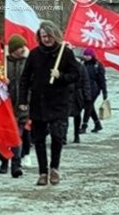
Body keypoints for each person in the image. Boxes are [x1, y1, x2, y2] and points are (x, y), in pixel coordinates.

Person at [18, 20, 80, 186]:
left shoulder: (65, 53)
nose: (46, 39)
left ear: (55, 35)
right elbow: (24, 78)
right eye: (43, 36)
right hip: (39, 102)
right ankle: (42, 172)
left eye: (49, 36)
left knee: (57, 136)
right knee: (38, 139)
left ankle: (54, 168)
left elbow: (76, 75)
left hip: (58, 102)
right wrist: (23, 100)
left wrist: (61, 76)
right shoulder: (34, 54)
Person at [0, 34, 30, 177]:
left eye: (23, 46)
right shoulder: (3, 64)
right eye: (19, 47)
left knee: (17, 136)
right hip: (5, 106)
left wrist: (27, 101)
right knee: (4, 136)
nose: (22, 49)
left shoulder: (27, 63)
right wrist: (1, 81)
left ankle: (16, 165)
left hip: (22, 107)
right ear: (13, 49)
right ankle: (4, 160)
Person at [81, 48, 108, 133]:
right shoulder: (83, 64)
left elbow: (102, 79)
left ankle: (84, 126)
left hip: (95, 88)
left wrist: (104, 91)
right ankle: (97, 124)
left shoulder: (97, 65)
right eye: (85, 55)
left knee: (88, 106)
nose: (86, 57)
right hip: (85, 88)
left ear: (92, 56)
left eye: (87, 55)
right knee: (90, 106)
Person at [68, 55, 91, 144]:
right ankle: (63, 136)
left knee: (77, 115)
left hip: (77, 95)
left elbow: (86, 82)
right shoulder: (64, 66)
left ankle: (76, 134)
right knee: (64, 116)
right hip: (65, 94)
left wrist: (87, 97)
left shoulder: (81, 67)